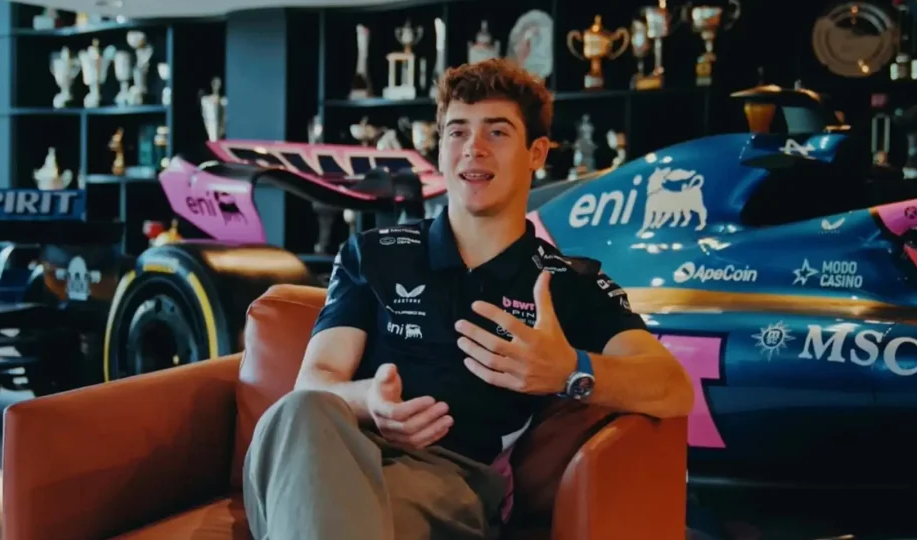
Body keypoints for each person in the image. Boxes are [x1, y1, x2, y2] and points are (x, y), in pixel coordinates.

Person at [242, 58, 694, 540]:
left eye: (497, 132)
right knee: (299, 411)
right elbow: (316, 380)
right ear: (440, 150)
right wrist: (369, 401)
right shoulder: (373, 253)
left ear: (537, 152)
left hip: (446, 480)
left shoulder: (567, 281)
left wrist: (569, 369)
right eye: (457, 132)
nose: (473, 148)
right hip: (334, 448)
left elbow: (673, 387)